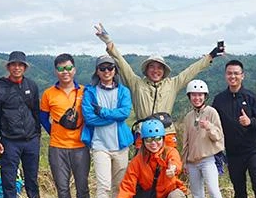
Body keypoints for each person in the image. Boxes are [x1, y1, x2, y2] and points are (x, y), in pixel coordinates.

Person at [94, 22, 224, 148]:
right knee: (144, 169)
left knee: (170, 167)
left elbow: (190, 71)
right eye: (152, 67)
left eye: (159, 67)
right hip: (144, 133)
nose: (156, 70)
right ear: (146, 69)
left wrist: (210, 56)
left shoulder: (172, 84)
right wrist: (108, 42)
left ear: (164, 70)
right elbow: (122, 64)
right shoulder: (136, 84)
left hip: (166, 132)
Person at [111, 119, 192, 198]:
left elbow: (175, 161)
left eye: (157, 138)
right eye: (149, 140)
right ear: (143, 141)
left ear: (163, 139)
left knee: (176, 197)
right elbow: (127, 187)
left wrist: (173, 169)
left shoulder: (169, 152)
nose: (154, 143)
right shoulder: (137, 162)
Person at [212, 59, 256, 198]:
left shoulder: (251, 97)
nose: (233, 76)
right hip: (233, 153)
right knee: (239, 189)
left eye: (236, 73)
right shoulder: (219, 100)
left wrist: (249, 121)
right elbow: (215, 124)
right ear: (225, 75)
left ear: (242, 76)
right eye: (230, 73)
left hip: (254, 151)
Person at [81, 55, 134, 198]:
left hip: (120, 145)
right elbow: (89, 117)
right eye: (102, 68)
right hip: (99, 145)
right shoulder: (90, 92)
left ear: (115, 70)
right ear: (97, 71)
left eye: (110, 68)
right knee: (103, 186)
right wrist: (112, 116)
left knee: (119, 186)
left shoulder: (123, 91)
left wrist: (102, 112)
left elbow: (124, 113)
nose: (106, 71)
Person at [0, 51, 42, 198]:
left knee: (31, 175)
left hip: (31, 139)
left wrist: (37, 133)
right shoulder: (0, 88)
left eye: (20, 65)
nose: (17, 68)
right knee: (8, 176)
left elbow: (36, 111)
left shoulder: (31, 86)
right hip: (9, 140)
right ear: (8, 67)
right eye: (14, 65)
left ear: (25, 67)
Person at [40, 54, 90, 198]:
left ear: (74, 70)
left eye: (68, 68)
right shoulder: (48, 94)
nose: (65, 72)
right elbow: (43, 117)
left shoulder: (84, 91)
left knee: (82, 185)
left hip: (80, 146)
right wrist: (53, 132)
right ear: (56, 71)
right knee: (62, 186)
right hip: (57, 146)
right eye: (61, 69)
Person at [180, 79, 229, 198]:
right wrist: (184, 162)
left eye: (200, 95)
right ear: (190, 97)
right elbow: (185, 142)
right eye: (194, 95)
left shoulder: (211, 112)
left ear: (204, 96)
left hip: (208, 159)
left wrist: (209, 128)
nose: (197, 98)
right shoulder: (188, 117)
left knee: (214, 192)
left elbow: (218, 137)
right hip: (192, 162)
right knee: (198, 195)